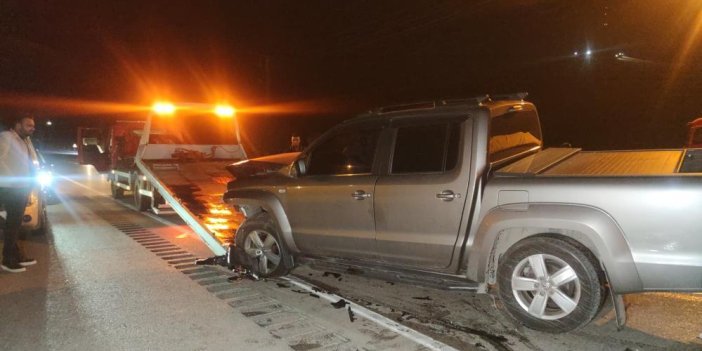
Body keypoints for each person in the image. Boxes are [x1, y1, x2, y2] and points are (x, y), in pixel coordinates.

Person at [0, 115, 39, 273]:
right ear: (17, 125)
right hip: (9, 188)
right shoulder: (7, 137)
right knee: (12, 224)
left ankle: (15, 255)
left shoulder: (25, 141)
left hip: (21, 188)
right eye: (28, 125)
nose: (32, 128)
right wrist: (11, 178)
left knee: (14, 225)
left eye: (33, 125)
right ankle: (7, 260)